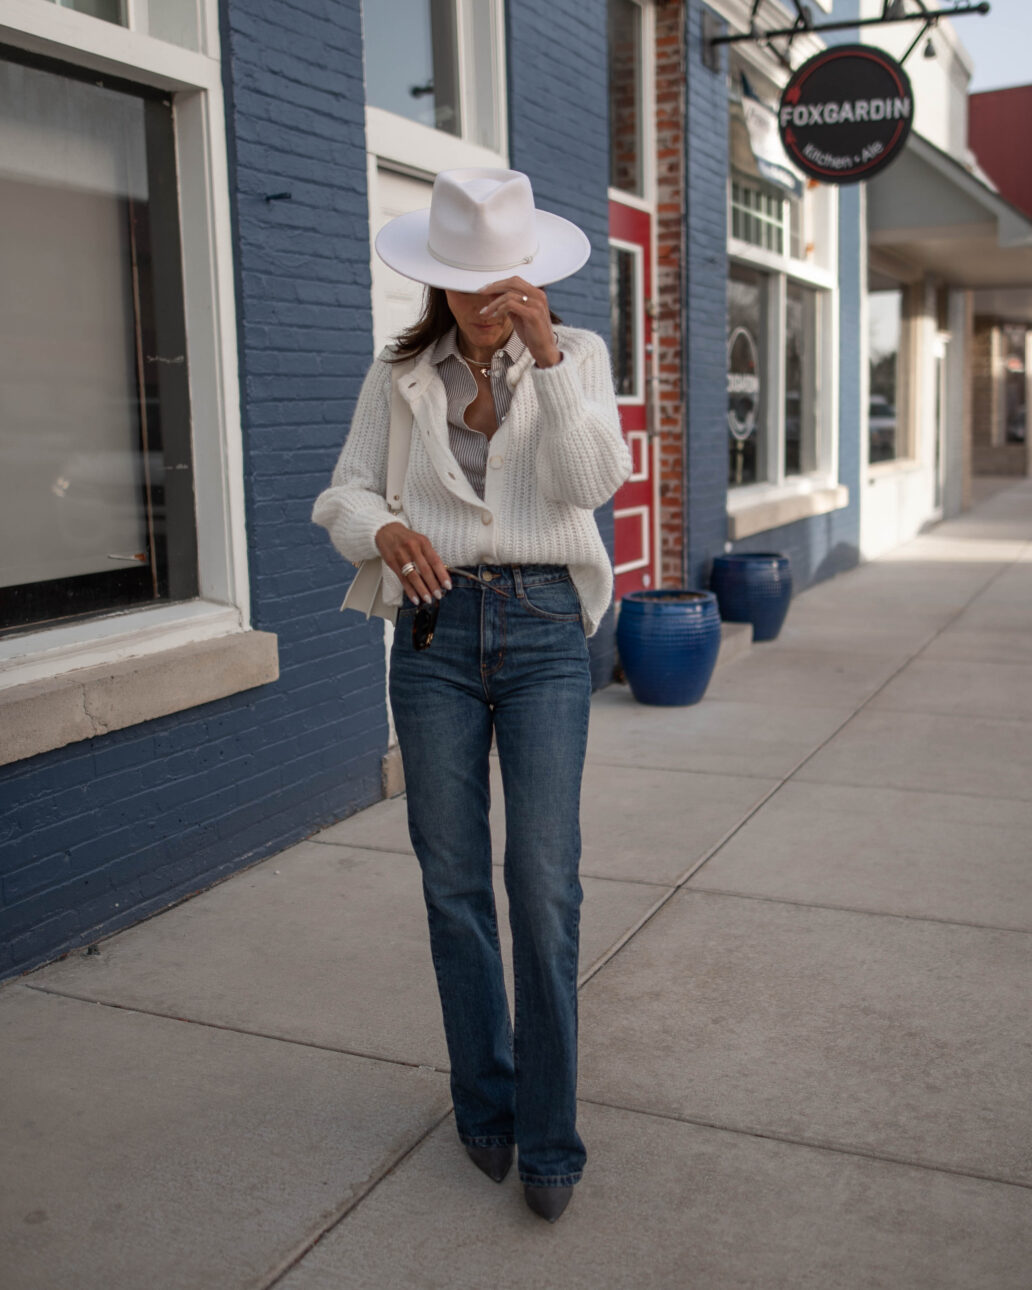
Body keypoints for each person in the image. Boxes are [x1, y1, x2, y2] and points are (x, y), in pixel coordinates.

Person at [312, 168, 631, 1223]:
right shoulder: (401, 371)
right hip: (436, 633)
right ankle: (482, 1107)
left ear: (528, 273)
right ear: (438, 285)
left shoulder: (573, 355)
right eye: (464, 282)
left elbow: (593, 484)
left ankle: (550, 1136)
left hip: (543, 631)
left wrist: (546, 361)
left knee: (543, 887)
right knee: (453, 887)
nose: (486, 298)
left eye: (502, 277)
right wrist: (382, 531)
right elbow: (345, 488)